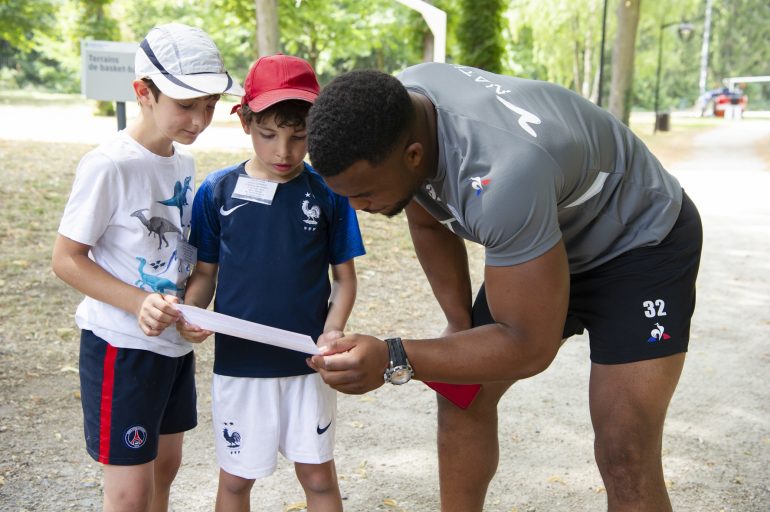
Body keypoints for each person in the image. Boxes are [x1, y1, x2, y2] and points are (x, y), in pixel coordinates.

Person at [305, 63, 702, 512]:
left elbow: (530, 346)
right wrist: (458, 324)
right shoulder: (401, 110)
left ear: (413, 154)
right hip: (540, 234)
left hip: (639, 243)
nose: (358, 208)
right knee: (461, 394)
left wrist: (395, 356)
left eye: (364, 195)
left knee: (624, 450)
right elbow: (427, 215)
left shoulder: (504, 174)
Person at [51, 23, 243, 512]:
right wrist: (140, 303)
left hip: (171, 346)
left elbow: (187, 260)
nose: (200, 119)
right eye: (186, 104)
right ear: (143, 92)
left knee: (166, 468)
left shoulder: (181, 163)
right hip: (122, 346)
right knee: (130, 494)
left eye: (210, 104)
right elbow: (67, 259)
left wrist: (193, 311)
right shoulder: (110, 164)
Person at [177, 54, 365, 512]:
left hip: (308, 364)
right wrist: (193, 316)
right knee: (237, 482)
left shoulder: (328, 193)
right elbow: (205, 273)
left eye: (299, 136)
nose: (284, 151)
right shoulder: (216, 191)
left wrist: (333, 330)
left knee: (319, 478)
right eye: (269, 135)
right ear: (244, 122)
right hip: (241, 367)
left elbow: (344, 279)